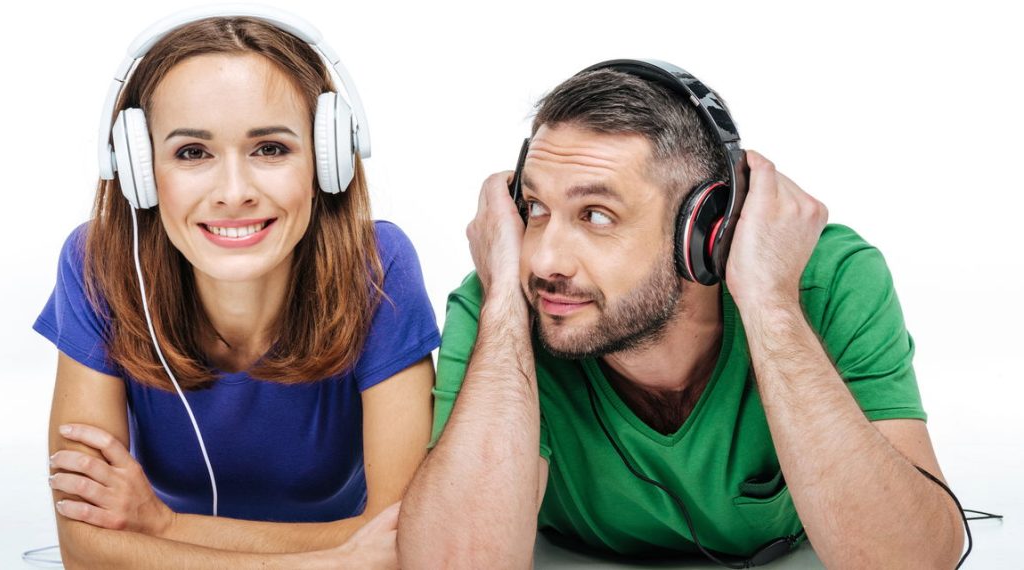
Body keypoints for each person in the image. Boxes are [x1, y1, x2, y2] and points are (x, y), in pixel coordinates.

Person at [399, 61, 965, 568]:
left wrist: (771, 307)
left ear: (704, 232)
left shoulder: (827, 281)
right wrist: (501, 300)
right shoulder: (503, 305)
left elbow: (914, 562)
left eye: (596, 215)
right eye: (536, 208)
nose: (544, 260)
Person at [34, 7, 439, 568]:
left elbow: (406, 538)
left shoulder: (378, 264)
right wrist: (331, 560)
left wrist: (164, 528)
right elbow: (85, 552)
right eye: (192, 153)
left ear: (327, 161)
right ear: (138, 170)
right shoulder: (98, 264)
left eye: (270, 148)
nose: (233, 192)